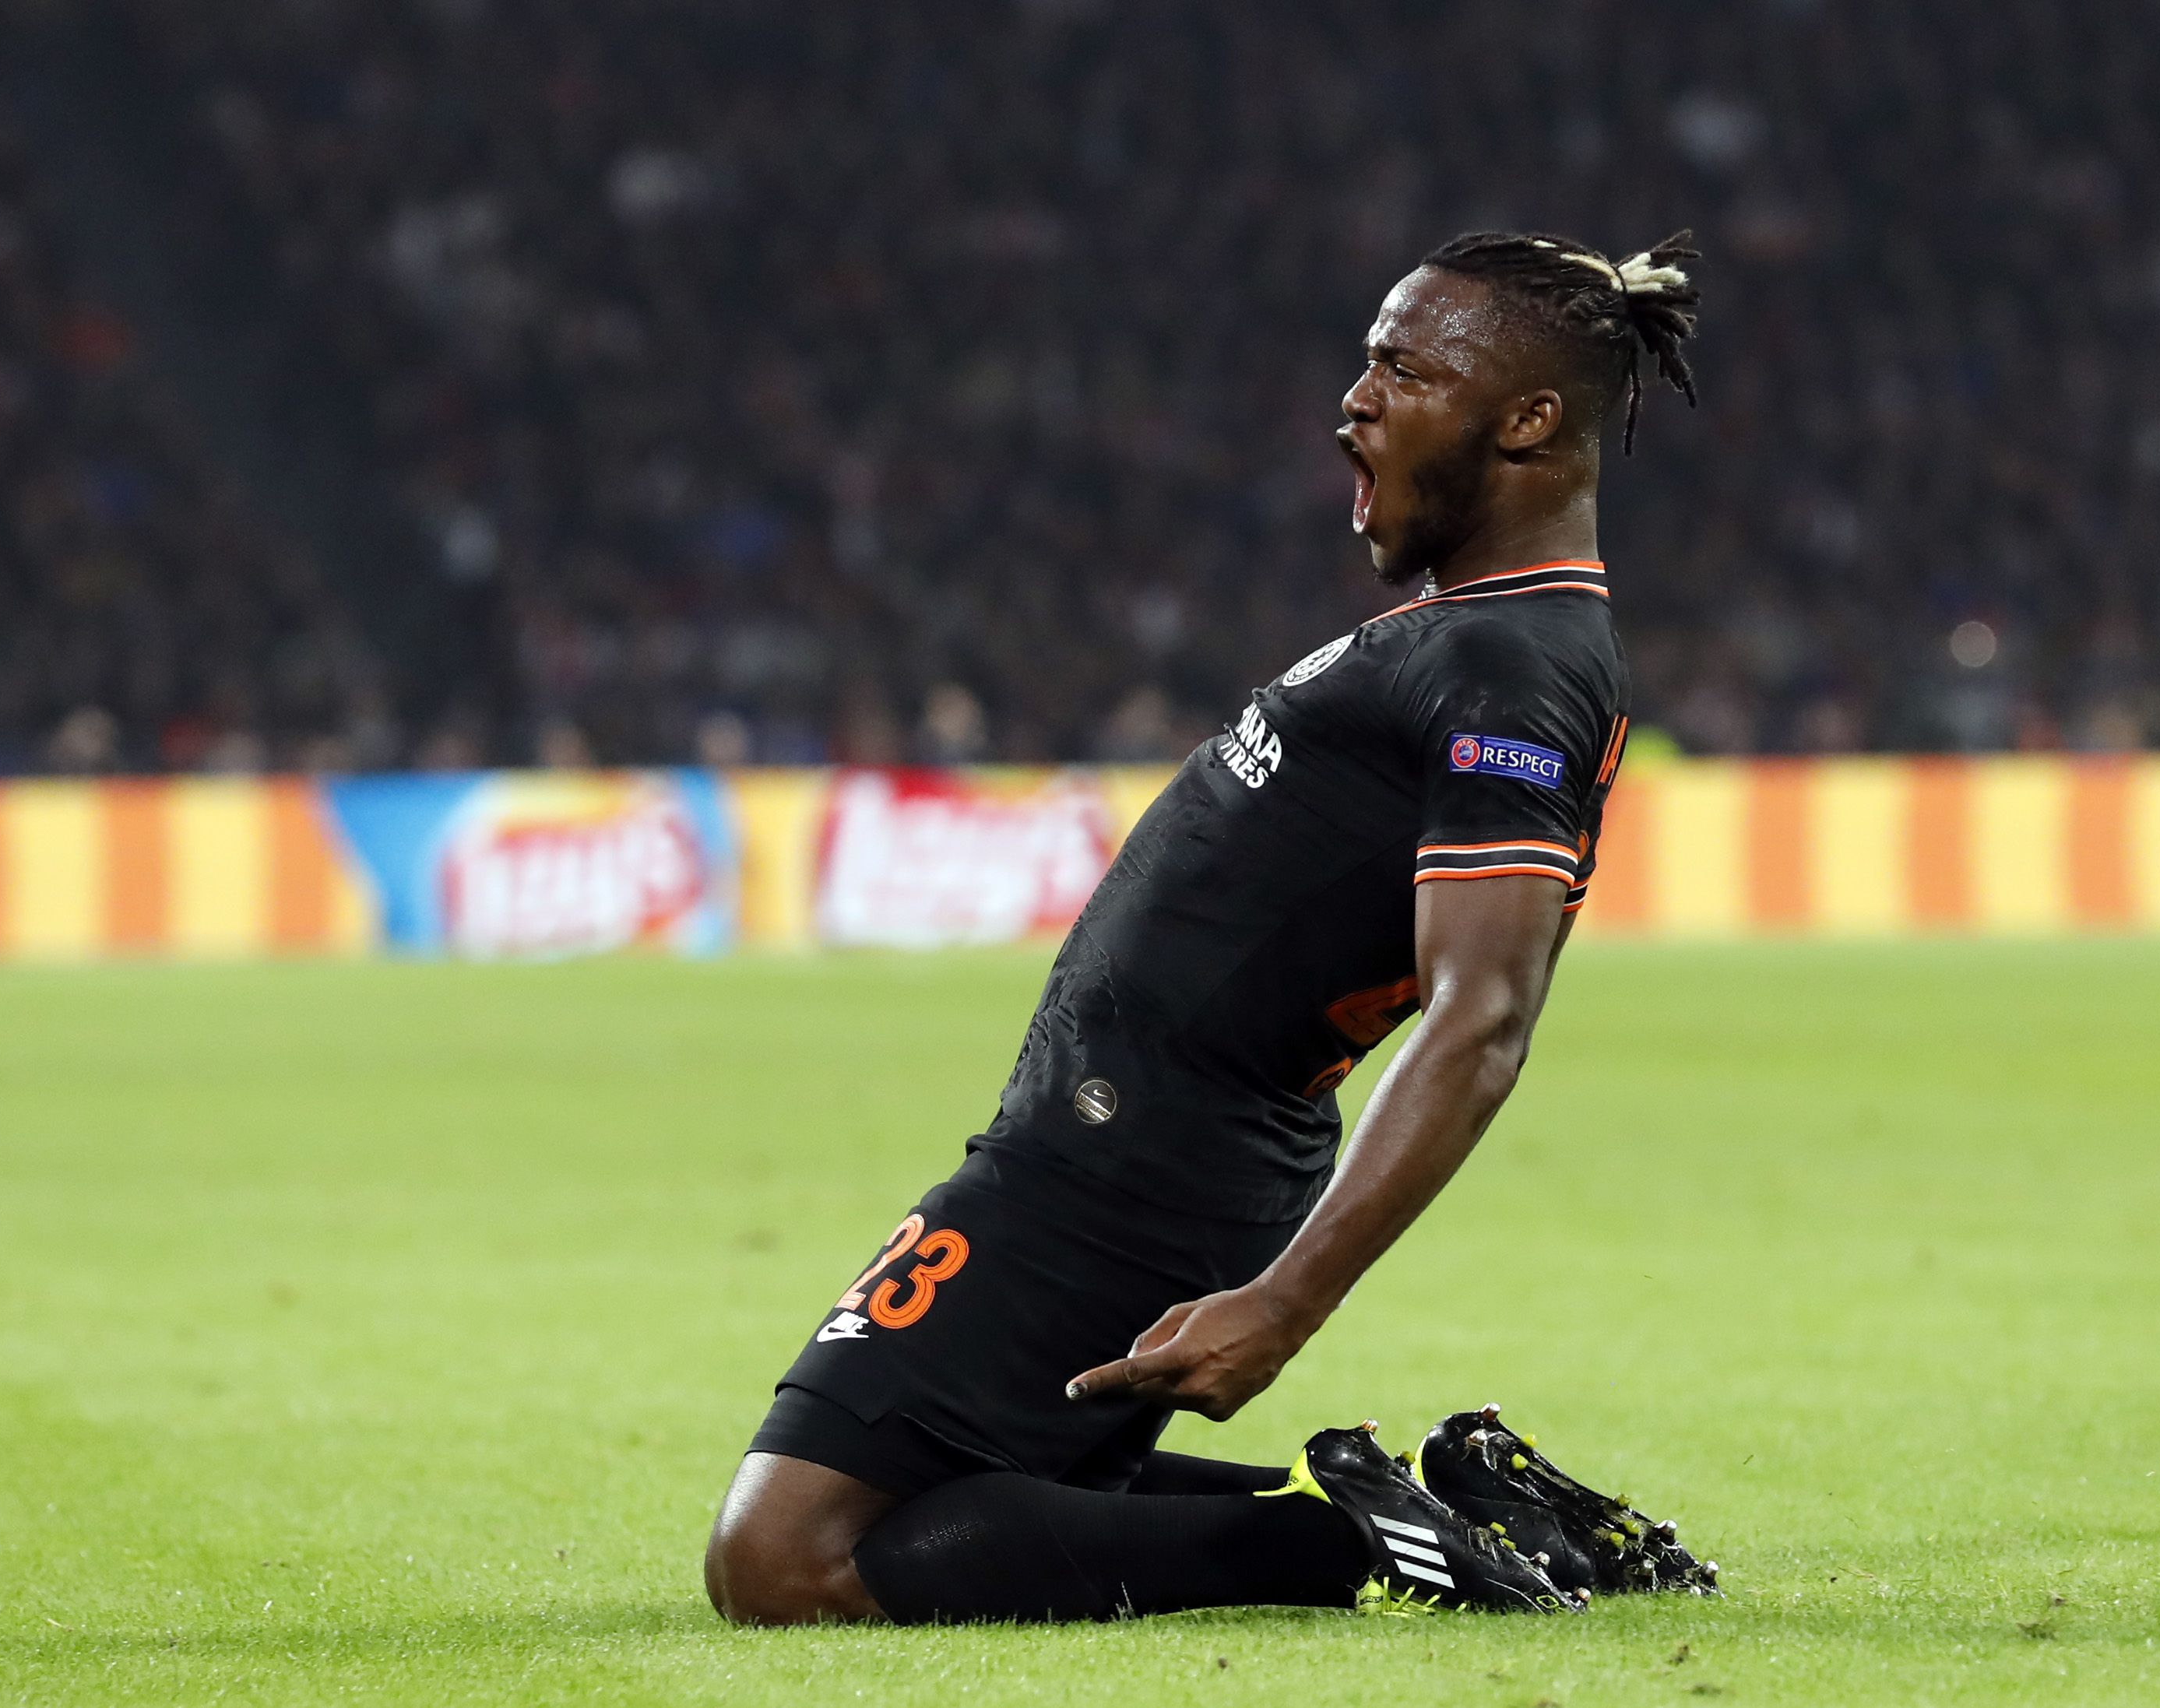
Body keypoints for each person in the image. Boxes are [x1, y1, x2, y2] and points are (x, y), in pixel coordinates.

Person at [706, 231, 1713, 1624]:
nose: (1353, 401)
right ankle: (1445, 1510)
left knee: (785, 1558)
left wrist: (1289, 1303)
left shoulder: (1513, 664)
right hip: (1124, 1146)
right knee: (994, 1488)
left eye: (1404, 368)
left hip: (1134, 1168)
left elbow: (1482, 1015)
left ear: (1530, 419)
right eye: (1366, 359)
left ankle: (1358, 1551)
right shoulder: (1469, 630)